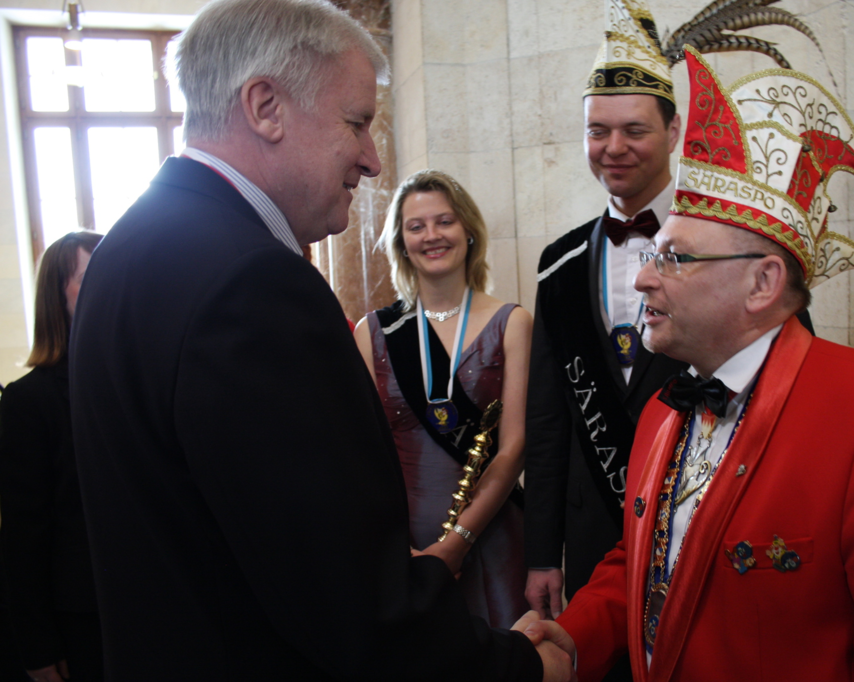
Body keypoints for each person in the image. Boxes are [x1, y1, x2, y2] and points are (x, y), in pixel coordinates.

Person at [66, 0, 573, 680]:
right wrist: (524, 667)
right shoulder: (253, 283)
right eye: (356, 123)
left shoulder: (126, 249)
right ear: (266, 107)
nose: (372, 160)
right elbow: (349, 604)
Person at [524, 46, 854, 681]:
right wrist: (570, 642)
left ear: (763, 283)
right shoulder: (666, 411)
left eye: (675, 259)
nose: (643, 281)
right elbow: (646, 559)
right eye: (654, 256)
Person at [523, 4, 687, 666]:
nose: (613, 148)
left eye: (634, 130)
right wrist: (542, 552)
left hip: (693, 516)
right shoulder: (558, 264)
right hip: (593, 533)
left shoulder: (723, 247)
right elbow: (547, 421)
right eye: (597, 131)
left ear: (673, 131)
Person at [354, 169, 532, 628]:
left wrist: (457, 543)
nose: (432, 235)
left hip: (491, 534)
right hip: (403, 544)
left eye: (445, 221)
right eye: (416, 226)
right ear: (402, 242)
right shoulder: (373, 332)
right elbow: (363, 453)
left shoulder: (513, 322)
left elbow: (513, 448)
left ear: (468, 230)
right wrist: (396, 545)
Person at [0, 231, 103, 682]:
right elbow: (24, 534)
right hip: (79, 618)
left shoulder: (131, 380)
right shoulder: (29, 401)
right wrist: (37, 645)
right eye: (90, 276)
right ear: (57, 298)